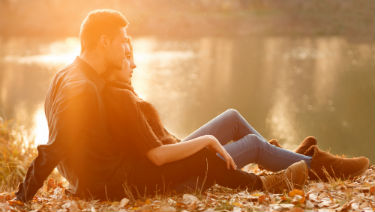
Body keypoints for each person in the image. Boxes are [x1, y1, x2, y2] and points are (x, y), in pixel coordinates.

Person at [15, 9, 369, 202]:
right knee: (224, 151)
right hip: (115, 180)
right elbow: (56, 145)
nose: (127, 51)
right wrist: (23, 195)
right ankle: (313, 168)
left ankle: (298, 161)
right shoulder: (83, 88)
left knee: (230, 119)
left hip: (133, 161)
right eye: (122, 43)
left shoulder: (75, 73)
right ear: (103, 42)